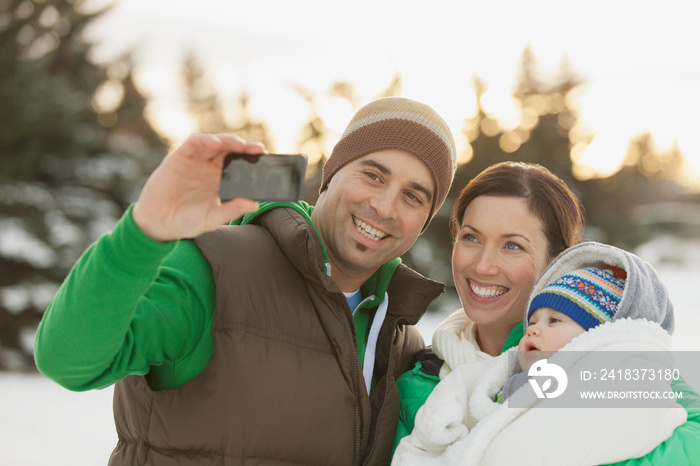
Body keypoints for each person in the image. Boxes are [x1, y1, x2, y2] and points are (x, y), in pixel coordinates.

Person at [33, 97, 458, 466]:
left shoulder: (400, 341)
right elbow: (67, 360)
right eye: (373, 175)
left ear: (422, 223)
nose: (384, 206)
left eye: (413, 196)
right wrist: (143, 234)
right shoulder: (216, 267)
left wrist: (525, 327)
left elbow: (500, 406)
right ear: (331, 177)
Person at [393, 162, 700, 465]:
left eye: (512, 245)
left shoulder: (605, 356)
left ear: (556, 263)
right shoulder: (416, 384)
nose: (483, 265)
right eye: (471, 237)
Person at [393, 247, 688, 465]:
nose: (533, 331)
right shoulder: (506, 379)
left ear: (596, 337)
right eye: (532, 322)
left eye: (554, 321)